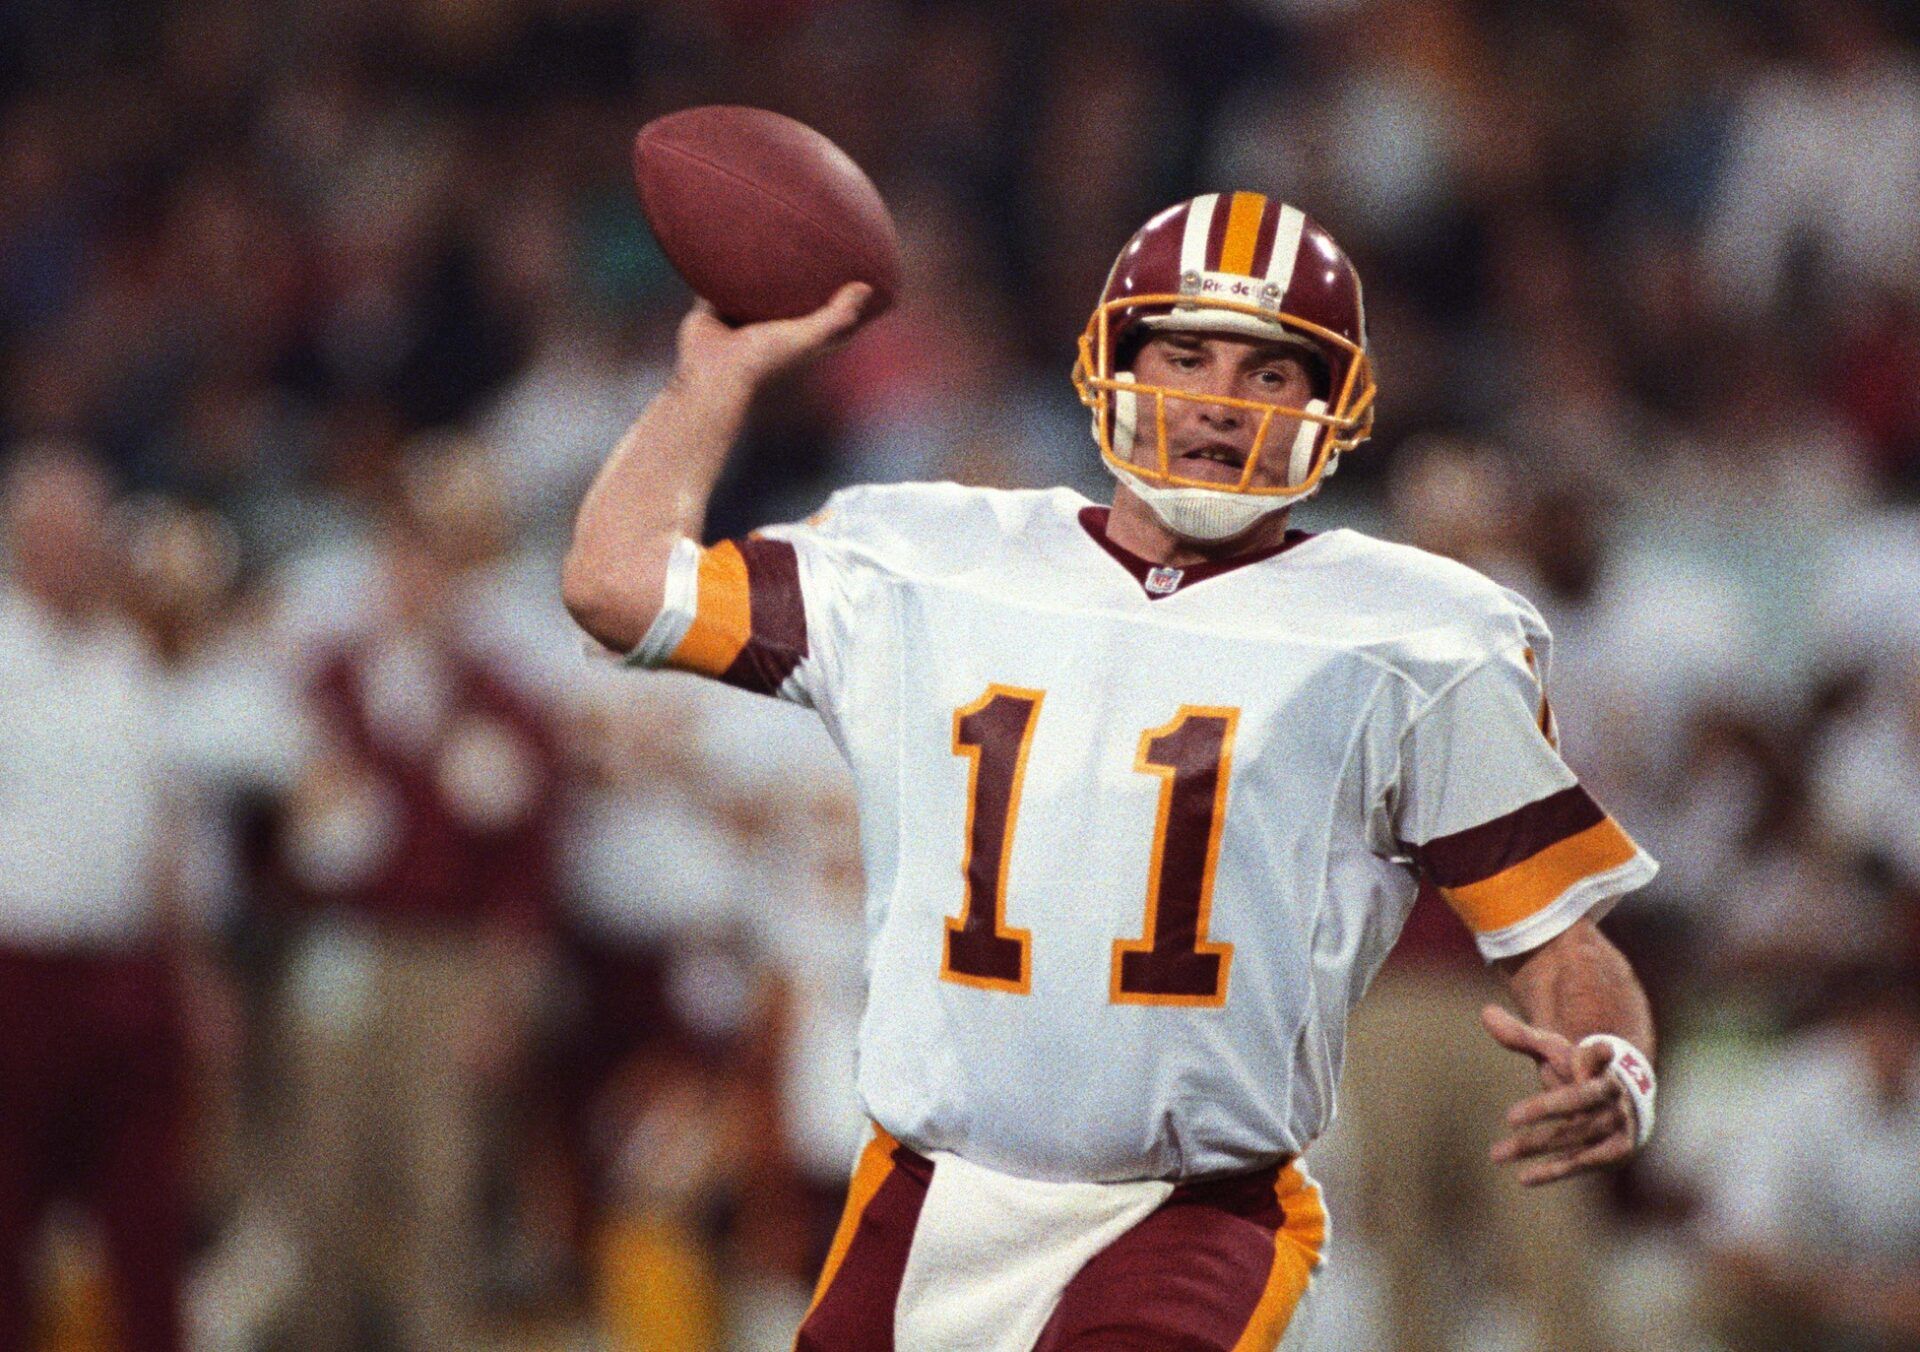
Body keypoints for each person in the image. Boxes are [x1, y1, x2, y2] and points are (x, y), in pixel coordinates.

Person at [563, 193, 1660, 1351]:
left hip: (1190, 1214)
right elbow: (618, 584)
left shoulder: (1419, 635)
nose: (1220, 403)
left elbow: (1562, 938)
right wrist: (713, 378)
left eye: (1270, 372)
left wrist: (1613, 1053)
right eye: (1185, 353)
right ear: (1113, 362)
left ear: (1333, 404)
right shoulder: (926, 556)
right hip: (921, 1193)